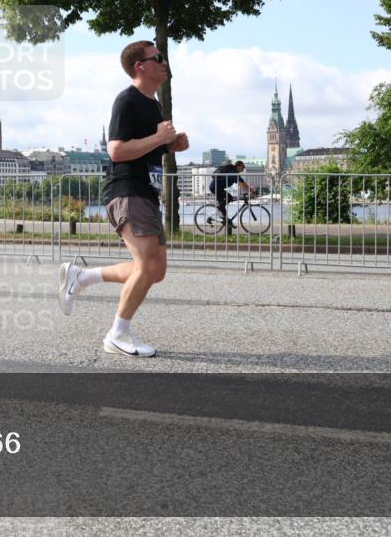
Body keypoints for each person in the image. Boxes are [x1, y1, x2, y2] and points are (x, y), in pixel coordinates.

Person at [57, 41, 189, 358]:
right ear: (140, 66)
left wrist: (171, 146)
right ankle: (118, 334)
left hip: (144, 190)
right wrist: (160, 138)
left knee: (155, 271)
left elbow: (144, 148)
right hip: (126, 190)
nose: (164, 62)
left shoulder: (153, 104)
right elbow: (116, 151)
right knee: (146, 266)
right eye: (158, 57)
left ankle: (82, 276)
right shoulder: (127, 100)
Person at [209, 161, 255, 233]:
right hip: (215, 187)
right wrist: (250, 191)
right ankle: (219, 212)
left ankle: (227, 222)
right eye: (243, 167)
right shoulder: (233, 173)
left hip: (217, 188)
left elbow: (243, 183)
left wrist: (251, 191)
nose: (243, 169)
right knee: (229, 198)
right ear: (238, 166)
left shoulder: (234, 172)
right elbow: (242, 185)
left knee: (223, 205)